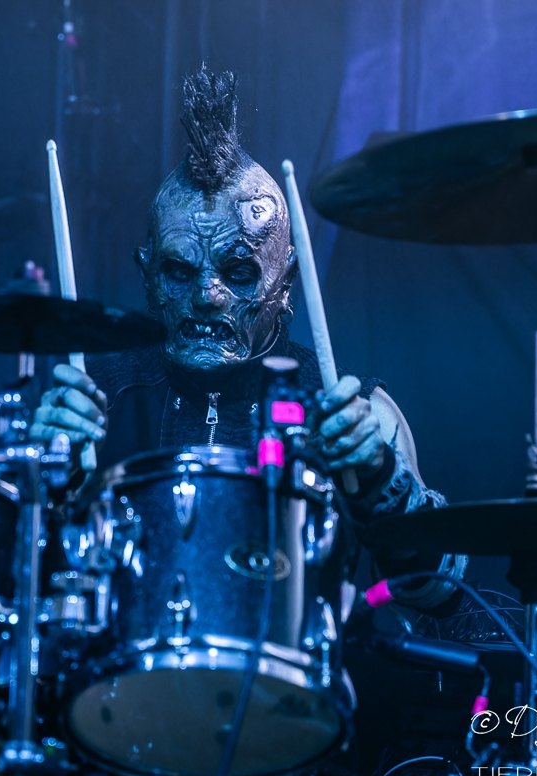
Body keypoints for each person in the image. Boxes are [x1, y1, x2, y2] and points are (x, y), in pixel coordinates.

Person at [30, 67, 463, 611]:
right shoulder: (94, 401)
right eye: (180, 271)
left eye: (238, 273)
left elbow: (441, 593)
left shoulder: (355, 413)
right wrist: (48, 482)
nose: (207, 296)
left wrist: (378, 477)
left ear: (287, 282)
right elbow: (16, 586)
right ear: (147, 275)